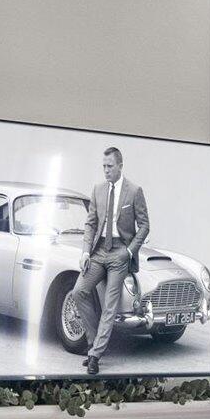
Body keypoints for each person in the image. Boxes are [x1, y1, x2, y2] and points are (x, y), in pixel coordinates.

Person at [82, 145, 149, 371]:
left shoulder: (134, 191)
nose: (106, 170)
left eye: (110, 166)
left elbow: (145, 225)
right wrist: (85, 252)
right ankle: (93, 344)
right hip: (99, 251)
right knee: (78, 291)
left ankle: (95, 357)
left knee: (110, 305)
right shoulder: (98, 189)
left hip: (120, 253)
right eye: (103, 166)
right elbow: (91, 223)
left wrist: (129, 251)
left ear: (120, 166)